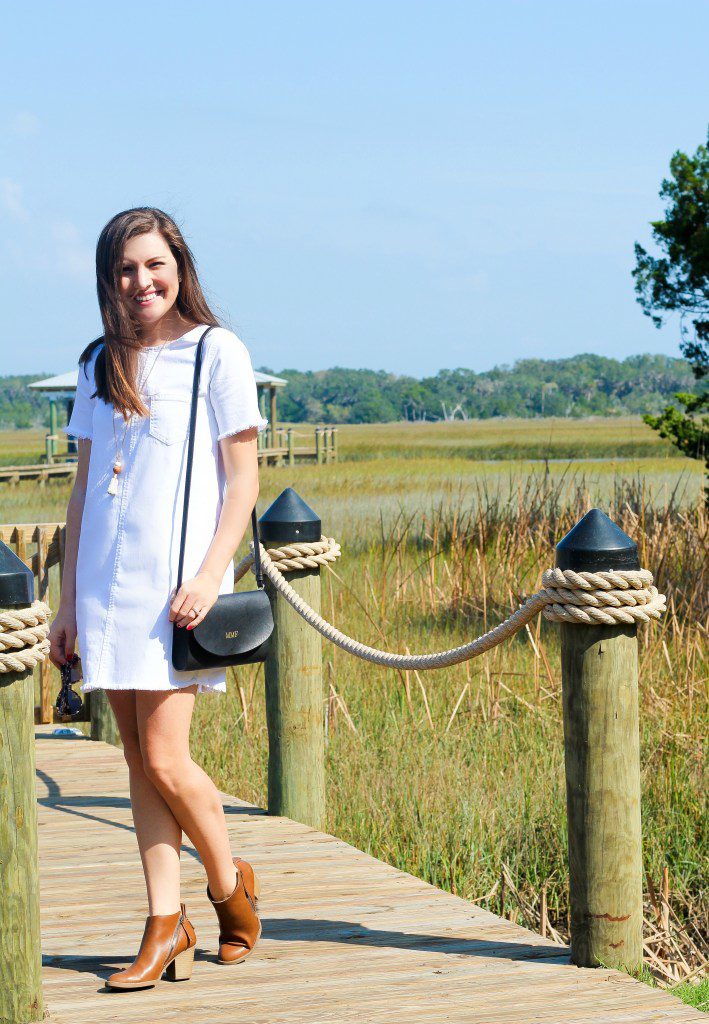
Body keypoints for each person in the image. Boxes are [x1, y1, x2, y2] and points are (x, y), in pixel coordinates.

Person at [48, 206, 269, 991]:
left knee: (167, 757)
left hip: (178, 590)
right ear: (109, 281)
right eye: (126, 269)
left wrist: (212, 574)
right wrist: (66, 601)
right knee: (138, 759)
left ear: (179, 264)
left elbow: (242, 478)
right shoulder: (97, 362)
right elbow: (81, 490)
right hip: (107, 587)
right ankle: (165, 922)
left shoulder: (216, 352)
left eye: (154, 264)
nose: (142, 281)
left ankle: (226, 887)